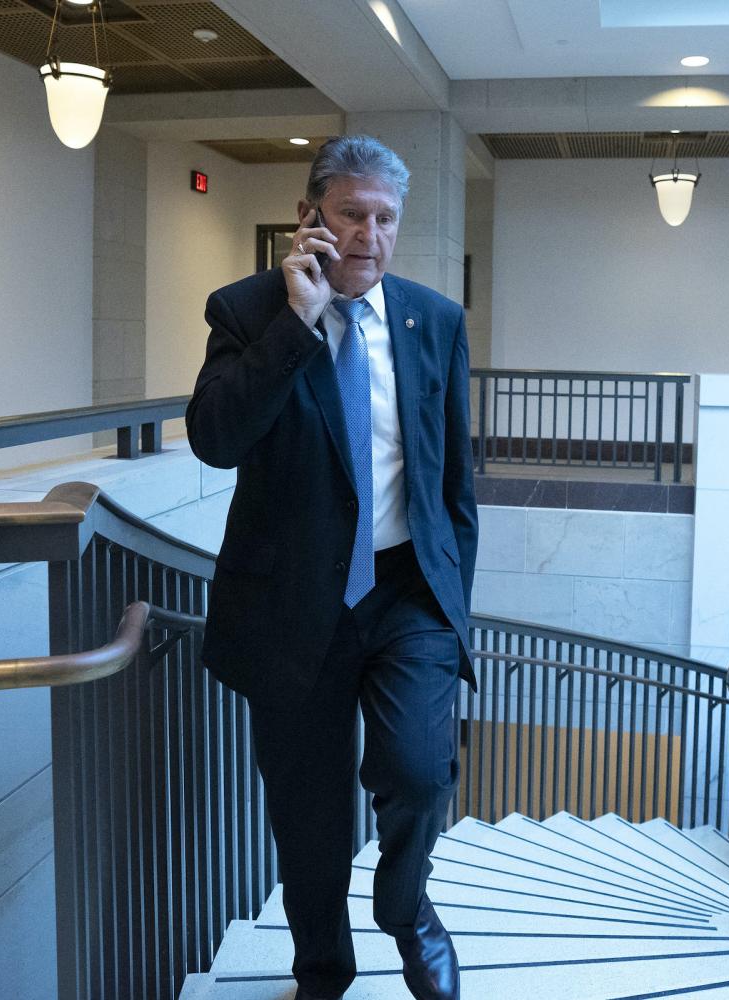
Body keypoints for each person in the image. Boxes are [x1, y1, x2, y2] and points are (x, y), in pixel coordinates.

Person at [186, 134, 477, 1000]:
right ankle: (322, 969)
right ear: (312, 214)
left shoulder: (435, 320)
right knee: (307, 816)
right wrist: (296, 323)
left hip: (407, 591)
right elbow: (215, 437)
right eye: (352, 214)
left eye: (386, 219)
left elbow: (455, 479)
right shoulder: (245, 310)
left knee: (421, 770)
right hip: (292, 607)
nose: (369, 235)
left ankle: (407, 907)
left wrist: (457, 599)